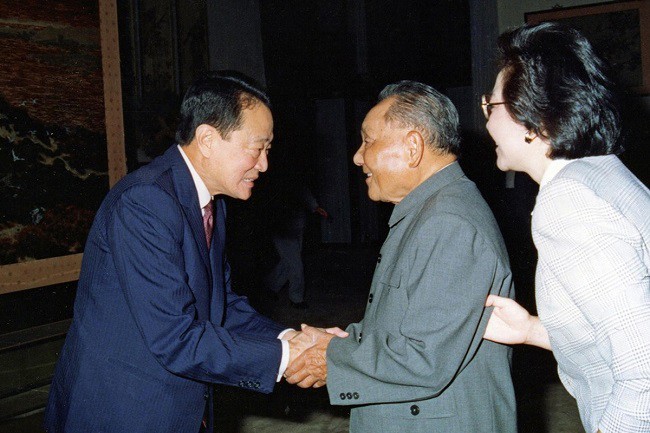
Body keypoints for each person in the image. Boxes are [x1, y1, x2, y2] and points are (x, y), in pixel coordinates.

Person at [43, 71, 343, 433]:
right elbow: (175, 338)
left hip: (178, 405)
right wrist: (288, 357)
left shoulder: (210, 201)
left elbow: (221, 306)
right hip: (125, 409)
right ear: (208, 139)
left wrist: (289, 339)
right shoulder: (146, 202)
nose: (264, 164)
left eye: (268, 149)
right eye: (257, 148)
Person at [285, 81, 517, 432]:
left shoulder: (448, 223)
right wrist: (346, 341)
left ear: (412, 147)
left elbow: (425, 358)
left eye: (368, 141)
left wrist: (332, 357)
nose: (358, 156)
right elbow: (409, 324)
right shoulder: (430, 210)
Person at [480, 22, 650, 433]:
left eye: (491, 106)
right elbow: (617, 330)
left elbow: (643, 372)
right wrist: (531, 330)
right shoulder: (604, 172)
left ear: (534, 120)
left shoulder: (569, 201)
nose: (485, 123)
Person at [264, 178, 328, 309]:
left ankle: (270, 286)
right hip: (282, 228)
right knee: (295, 264)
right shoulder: (275, 181)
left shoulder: (295, 179)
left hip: (296, 226)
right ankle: (296, 299)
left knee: (289, 261)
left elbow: (303, 191)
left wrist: (315, 207)